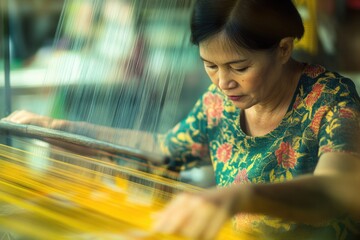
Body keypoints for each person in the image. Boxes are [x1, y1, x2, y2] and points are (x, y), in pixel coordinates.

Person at [2, 0, 360, 239]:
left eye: (240, 67)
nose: (223, 82)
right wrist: (60, 129)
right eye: (210, 66)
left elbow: (341, 190)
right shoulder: (218, 104)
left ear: (283, 49)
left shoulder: (330, 101)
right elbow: (163, 149)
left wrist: (238, 197)